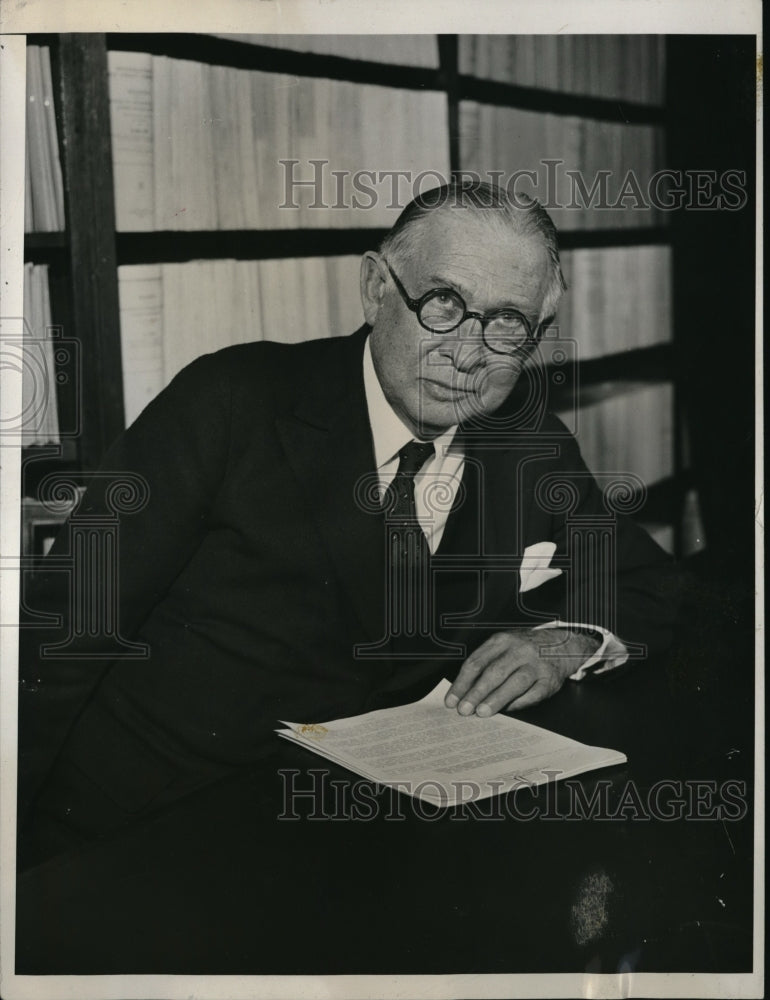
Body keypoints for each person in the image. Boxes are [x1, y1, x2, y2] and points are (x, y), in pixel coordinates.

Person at [17, 181, 677, 864]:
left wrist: (560, 644)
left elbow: (651, 586)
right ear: (374, 287)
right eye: (444, 303)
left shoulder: (527, 439)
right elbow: (62, 636)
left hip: (373, 840)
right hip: (157, 829)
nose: (469, 353)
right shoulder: (230, 402)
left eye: (506, 322)